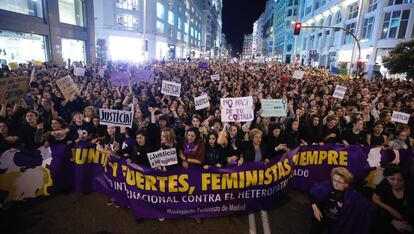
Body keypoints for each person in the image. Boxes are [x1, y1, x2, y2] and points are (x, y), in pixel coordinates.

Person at [309, 167, 376, 234]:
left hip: (338, 222)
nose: (335, 184)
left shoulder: (352, 195)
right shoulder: (325, 186)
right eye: (334, 180)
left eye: (339, 181)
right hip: (322, 216)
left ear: (346, 184)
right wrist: (315, 208)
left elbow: (367, 206)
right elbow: (312, 194)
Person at [372, 164, 413, 234]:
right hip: (389, 219)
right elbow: (374, 198)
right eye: (392, 179)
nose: (396, 183)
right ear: (386, 177)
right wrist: (391, 211)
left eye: (400, 180)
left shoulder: (410, 189)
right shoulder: (385, 184)